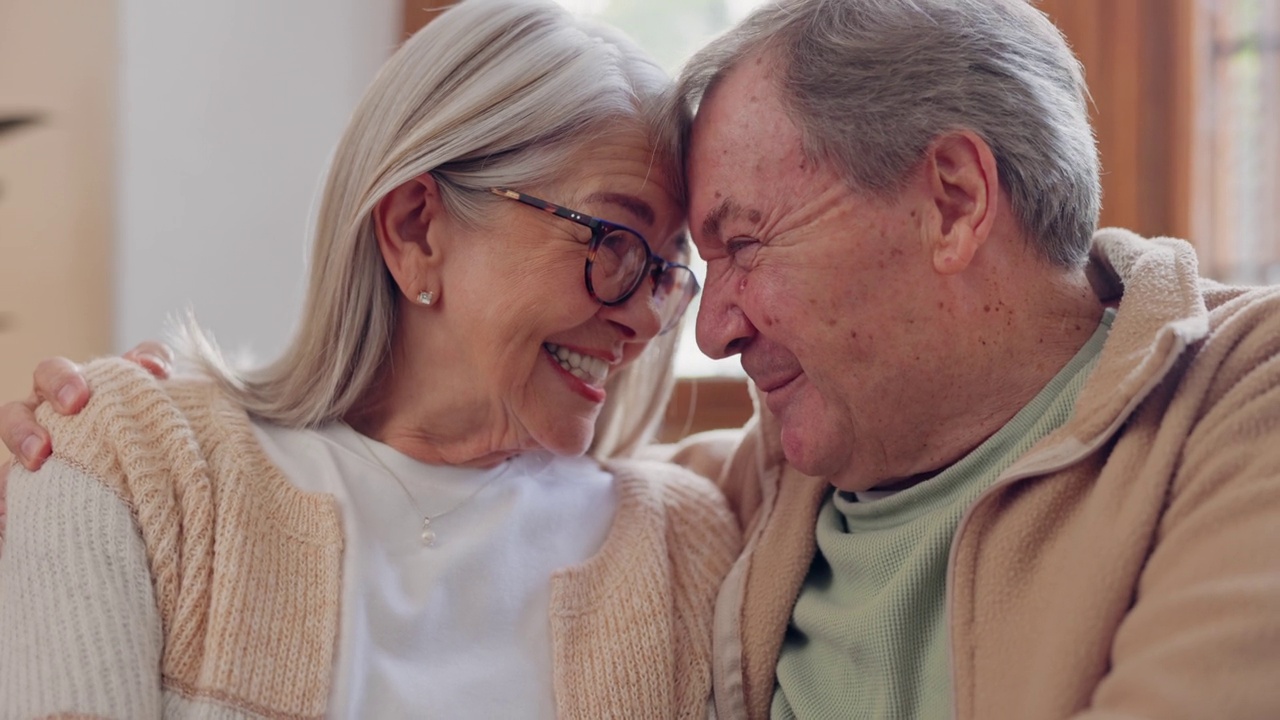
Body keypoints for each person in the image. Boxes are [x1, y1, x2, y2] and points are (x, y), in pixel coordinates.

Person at [7, 0, 1280, 718]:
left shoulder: (1236, 402)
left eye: (717, 252)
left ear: (952, 201)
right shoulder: (137, 461)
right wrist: (138, 434)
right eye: (644, 253)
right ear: (413, 231)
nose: (695, 326)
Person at [0, 0, 740, 717]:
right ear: (417, 229)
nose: (647, 317)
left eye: (668, 271)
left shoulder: (683, 546)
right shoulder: (136, 459)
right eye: (613, 242)